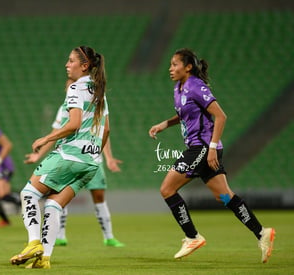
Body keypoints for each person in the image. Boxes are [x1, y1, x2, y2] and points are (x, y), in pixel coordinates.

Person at [148, 48, 275, 263]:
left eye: (175, 64)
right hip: (202, 150)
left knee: (167, 189)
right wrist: (165, 124)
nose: (170, 68)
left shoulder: (196, 86)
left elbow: (220, 115)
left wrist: (212, 147)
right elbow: (186, 114)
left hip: (203, 148)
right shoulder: (178, 89)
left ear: (188, 67)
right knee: (224, 196)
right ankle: (262, 232)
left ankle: (192, 236)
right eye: (170, 64)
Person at [10, 45, 109, 269]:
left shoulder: (75, 88)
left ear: (84, 66)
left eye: (71, 61)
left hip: (69, 155)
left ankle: (34, 242)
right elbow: (107, 130)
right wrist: (93, 155)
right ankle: (44, 259)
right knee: (54, 205)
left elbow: (73, 124)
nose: (66, 65)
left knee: (28, 194)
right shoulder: (99, 91)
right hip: (91, 163)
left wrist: (46, 138)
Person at [24, 91, 124, 247]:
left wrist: (109, 157)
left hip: (92, 157)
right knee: (60, 195)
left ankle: (109, 236)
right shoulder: (65, 108)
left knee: (98, 196)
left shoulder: (94, 104)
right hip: (70, 156)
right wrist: (38, 155)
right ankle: (60, 235)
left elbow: (104, 131)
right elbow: (55, 133)